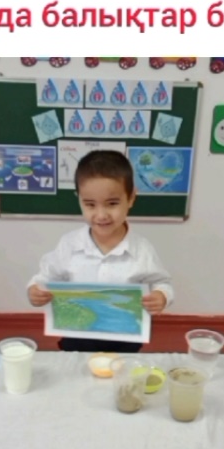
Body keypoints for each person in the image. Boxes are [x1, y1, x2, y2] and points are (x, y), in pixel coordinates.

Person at [27, 149, 173, 352]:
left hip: (125, 338)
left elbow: (162, 282)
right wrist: (35, 291)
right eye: (90, 205)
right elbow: (44, 278)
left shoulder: (142, 249)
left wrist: (161, 296)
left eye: (112, 203)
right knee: (77, 370)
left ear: (131, 198)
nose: (101, 214)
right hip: (77, 335)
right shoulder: (69, 245)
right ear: (79, 199)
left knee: (122, 372)